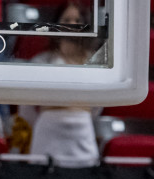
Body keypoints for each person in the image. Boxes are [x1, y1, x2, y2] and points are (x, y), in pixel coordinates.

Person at [18, 2, 105, 165]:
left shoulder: (94, 63)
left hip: (82, 132)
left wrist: (78, 113)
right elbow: (25, 106)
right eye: (66, 19)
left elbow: (98, 105)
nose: (71, 24)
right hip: (47, 132)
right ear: (56, 25)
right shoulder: (41, 61)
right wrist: (49, 116)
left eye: (77, 20)